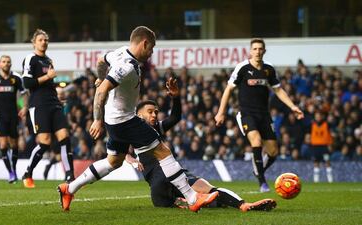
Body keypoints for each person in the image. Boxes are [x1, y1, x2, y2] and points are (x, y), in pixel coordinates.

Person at [58, 26, 218, 212]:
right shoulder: (127, 66)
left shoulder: (118, 53)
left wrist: (102, 77)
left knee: (114, 161)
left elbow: (101, 60)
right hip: (124, 119)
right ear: (144, 43)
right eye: (151, 48)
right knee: (162, 151)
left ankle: (69, 189)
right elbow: (101, 91)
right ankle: (192, 198)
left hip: (116, 119)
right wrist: (97, 119)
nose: (151, 53)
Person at [125, 79, 276, 211]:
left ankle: (244, 205)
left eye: (156, 112)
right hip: (158, 184)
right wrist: (131, 159)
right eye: (150, 112)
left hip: (177, 174)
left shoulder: (157, 127)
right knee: (165, 203)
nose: (154, 115)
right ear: (139, 115)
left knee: (211, 192)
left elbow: (175, 117)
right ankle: (186, 200)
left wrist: (176, 98)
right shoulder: (131, 130)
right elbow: (119, 150)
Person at [215, 38, 304, 192]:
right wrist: (221, 112)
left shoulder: (269, 69)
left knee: (273, 152)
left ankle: (258, 168)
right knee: (256, 141)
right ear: (250, 51)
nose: (257, 51)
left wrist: (293, 106)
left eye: (260, 49)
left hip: (264, 114)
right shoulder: (242, 68)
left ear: (264, 51)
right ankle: (262, 181)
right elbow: (229, 89)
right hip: (246, 113)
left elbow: (278, 90)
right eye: (254, 49)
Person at [21, 29, 74, 188]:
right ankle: (28, 172)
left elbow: (49, 84)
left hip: (54, 103)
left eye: (46, 40)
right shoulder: (31, 59)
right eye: (41, 40)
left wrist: (58, 95)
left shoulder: (49, 60)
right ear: (34, 42)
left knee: (65, 137)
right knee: (44, 143)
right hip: (39, 104)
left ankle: (70, 176)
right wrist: (47, 77)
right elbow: (27, 83)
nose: (44, 42)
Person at [0, 55, 27, 183]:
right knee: (3, 144)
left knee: (14, 145)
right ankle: (11, 173)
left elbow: (24, 93)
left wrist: (25, 106)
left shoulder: (16, 78)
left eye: (8, 62)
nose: (6, 64)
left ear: (11, 64)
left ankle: (13, 169)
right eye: (4, 61)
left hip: (13, 115)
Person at [310, 111, 333, 183]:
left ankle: (330, 180)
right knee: (316, 162)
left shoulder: (327, 124)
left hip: (324, 146)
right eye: (316, 116)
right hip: (315, 147)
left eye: (319, 116)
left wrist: (330, 144)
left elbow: (330, 135)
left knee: (327, 162)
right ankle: (316, 180)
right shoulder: (312, 125)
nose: (318, 118)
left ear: (321, 117)